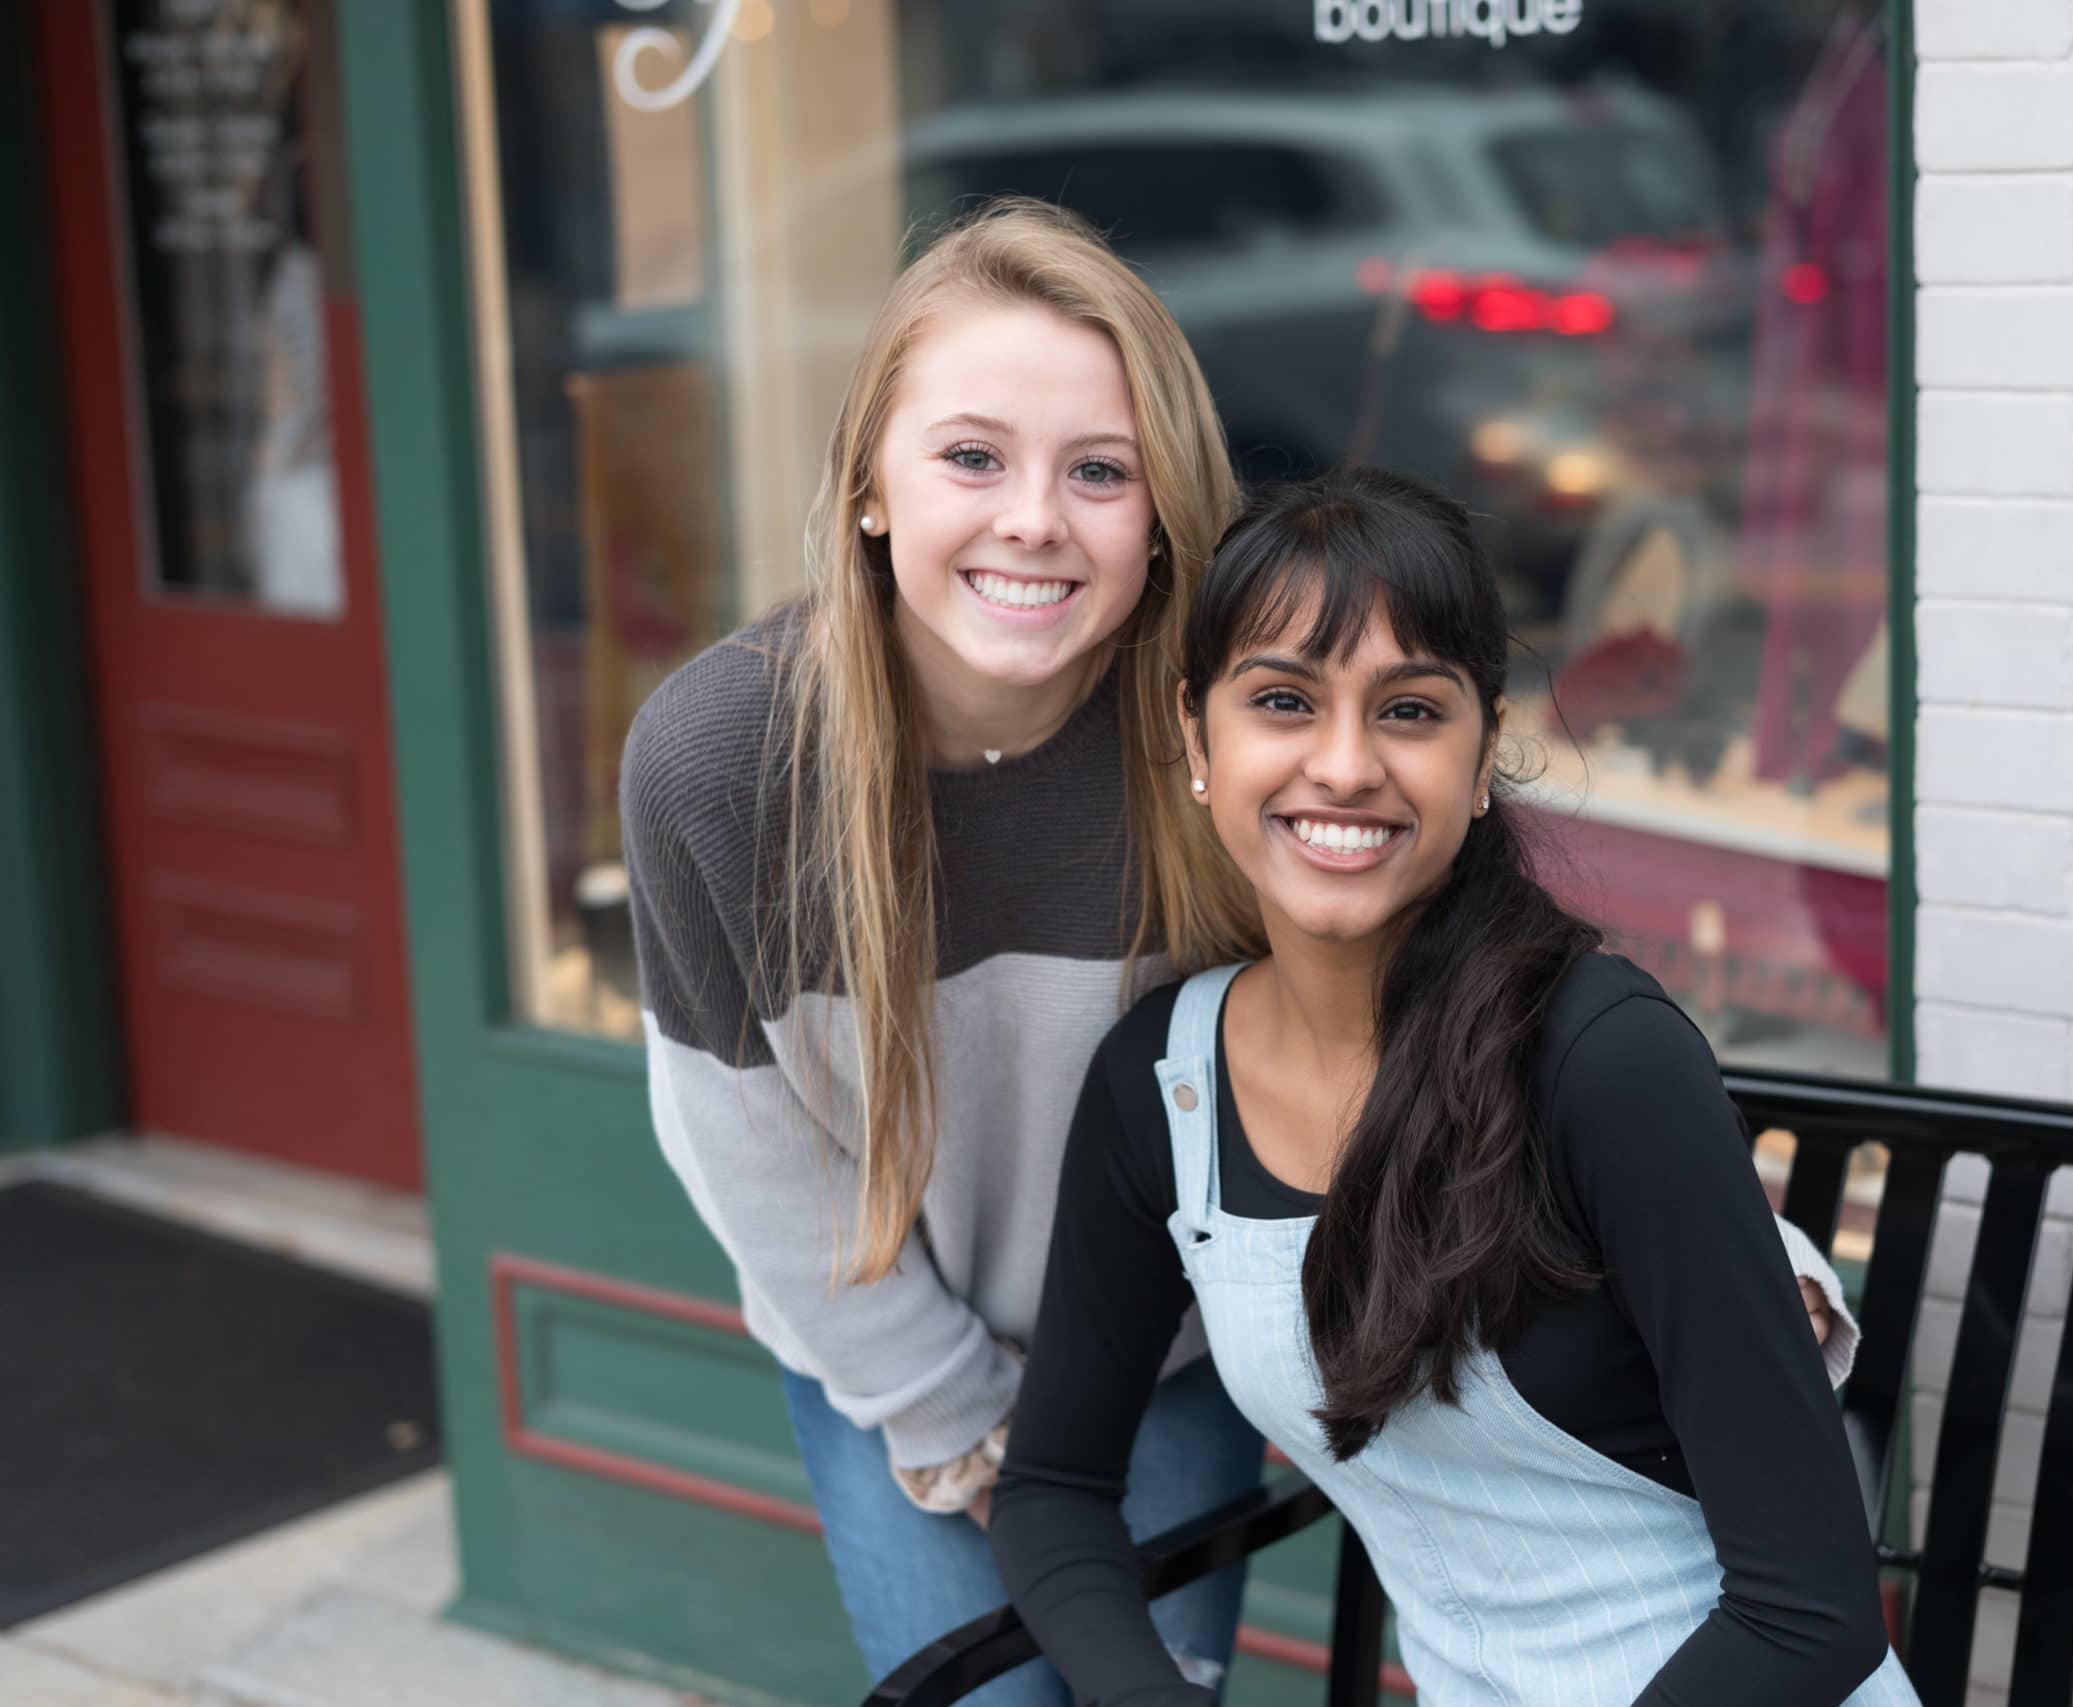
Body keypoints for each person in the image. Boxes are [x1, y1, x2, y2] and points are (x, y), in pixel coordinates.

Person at [625, 202, 1852, 1703]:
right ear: (869, 485)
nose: (1033, 519)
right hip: (889, 1332)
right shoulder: (722, 761)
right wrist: (937, 1398)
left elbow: (1451, 974)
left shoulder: (1223, 709)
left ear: (1159, 512)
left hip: (1177, 1339)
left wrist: (1718, 1254)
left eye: (1098, 470)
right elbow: (748, 1147)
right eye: (970, 456)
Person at [991, 467, 1916, 1706]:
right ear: (1197, 739)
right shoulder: (1163, 1085)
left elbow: (1811, 1616)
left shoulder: (1601, 1060)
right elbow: (1053, 1494)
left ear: (1483, 755)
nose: (1345, 764)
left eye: (1410, 712)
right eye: (1281, 700)